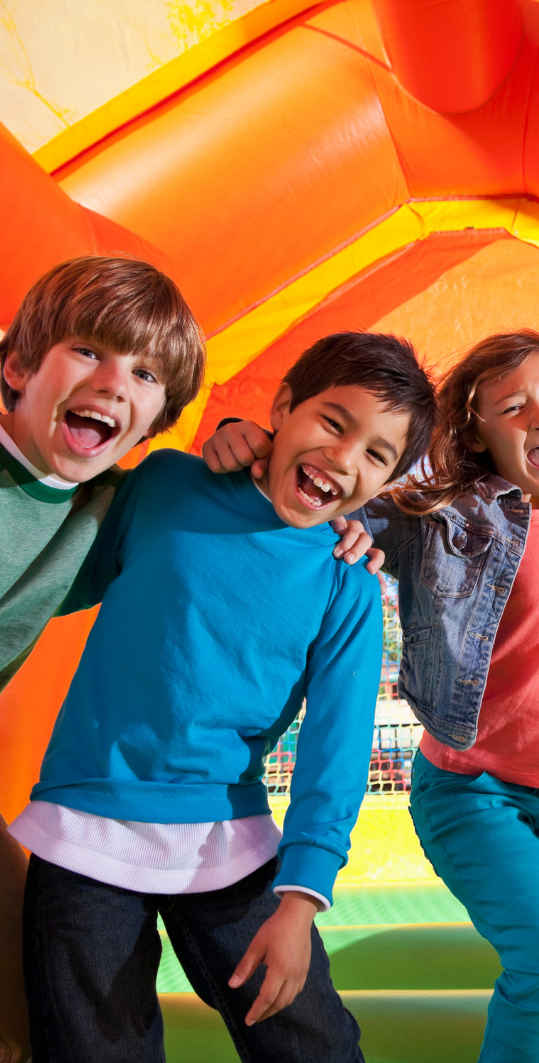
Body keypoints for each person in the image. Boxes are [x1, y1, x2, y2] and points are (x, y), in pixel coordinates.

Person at [206, 330, 539, 1063]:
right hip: (471, 791)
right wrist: (251, 443)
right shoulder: (447, 517)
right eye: (511, 407)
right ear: (477, 432)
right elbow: (334, 499)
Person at [9, 331, 437, 1063]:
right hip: (82, 830)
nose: (343, 457)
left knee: (316, 1045)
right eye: (333, 422)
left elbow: (333, 758)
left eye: (376, 454)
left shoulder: (347, 585)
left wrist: (300, 901)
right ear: (282, 408)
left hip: (226, 843)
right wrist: (230, 441)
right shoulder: (165, 484)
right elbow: (57, 563)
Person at [0, 254, 205, 1063]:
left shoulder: (105, 507)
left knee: (27, 991)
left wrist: (238, 446)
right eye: (88, 350)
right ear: (17, 365)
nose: (116, 381)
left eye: (146, 372)